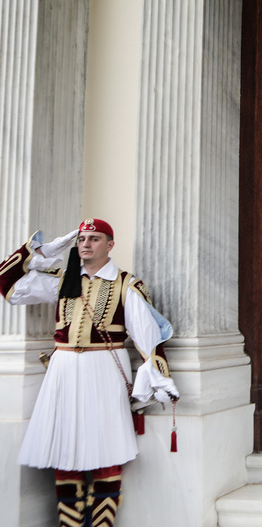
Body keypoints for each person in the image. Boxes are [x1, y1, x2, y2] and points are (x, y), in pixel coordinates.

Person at [0, 218, 179, 527]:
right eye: (82, 239)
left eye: (94, 239)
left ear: (110, 245)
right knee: (64, 448)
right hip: (64, 368)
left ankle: (102, 524)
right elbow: (7, 285)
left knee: (106, 449)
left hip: (104, 369)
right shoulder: (62, 279)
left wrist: (159, 376)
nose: (85, 244)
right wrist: (38, 252)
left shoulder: (126, 283)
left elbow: (147, 335)